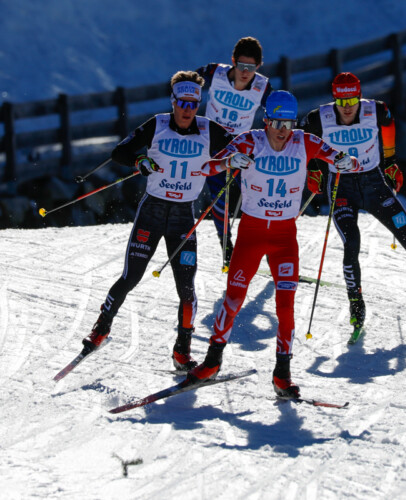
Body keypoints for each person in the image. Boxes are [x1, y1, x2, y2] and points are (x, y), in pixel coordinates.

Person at [188, 90, 358, 398]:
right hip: (252, 233)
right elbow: (205, 167)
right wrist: (229, 161)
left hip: (283, 237)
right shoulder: (251, 140)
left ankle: (282, 374)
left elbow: (345, 159)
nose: (282, 130)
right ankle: (212, 362)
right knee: (234, 298)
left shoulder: (304, 141)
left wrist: (347, 162)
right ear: (266, 120)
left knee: (286, 306)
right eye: (277, 122)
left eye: (288, 123)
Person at [82, 71, 233, 370]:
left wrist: (232, 160)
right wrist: (139, 161)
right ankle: (102, 327)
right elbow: (120, 152)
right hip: (151, 212)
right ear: (173, 101)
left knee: (186, 289)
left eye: (193, 104)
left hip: (183, 218)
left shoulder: (209, 129)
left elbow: (242, 146)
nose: (188, 110)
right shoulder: (158, 124)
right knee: (131, 277)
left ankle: (182, 351)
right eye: (182, 103)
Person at [299, 72, 406, 339]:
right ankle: (356, 303)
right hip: (342, 187)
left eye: (352, 100)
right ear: (334, 100)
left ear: (359, 96)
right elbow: (304, 139)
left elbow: (388, 125)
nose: (348, 107)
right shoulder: (319, 118)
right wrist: (314, 168)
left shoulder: (376, 110)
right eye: (342, 102)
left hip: (374, 184)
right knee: (352, 241)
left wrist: (390, 162)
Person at [195, 36, 273, 264]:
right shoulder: (214, 72)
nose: (245, 72)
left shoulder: (262, 86)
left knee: (257, 195)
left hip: (242, 145)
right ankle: (226, 246)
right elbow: (187, 83)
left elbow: (278, 110)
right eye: (241, 65)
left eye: (251, 67)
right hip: (212, 143)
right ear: (233, 61)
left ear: (258, 66)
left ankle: (267, 247)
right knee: (221, 197)